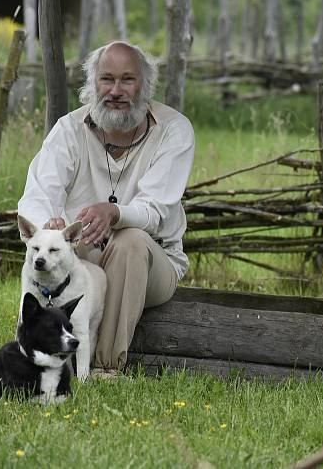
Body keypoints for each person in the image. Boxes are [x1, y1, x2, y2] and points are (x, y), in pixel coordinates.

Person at [18, 40, 195, 377]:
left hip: (151, 262)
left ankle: (104, 366)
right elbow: (37, 194)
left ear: (145, 84)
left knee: (130, 241)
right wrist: (48, 224)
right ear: (92, 83)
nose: (115, 90)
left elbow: (155, 210)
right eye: (106, 80)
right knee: (48, 248)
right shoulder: (69, 129)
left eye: (127, 80)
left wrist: (115, 213)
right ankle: (33, 349)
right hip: (84, 256)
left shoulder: (174, 130)